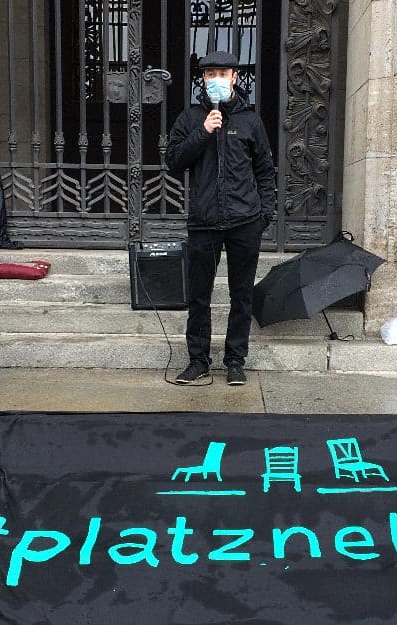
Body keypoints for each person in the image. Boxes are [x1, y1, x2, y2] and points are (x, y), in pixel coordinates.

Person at [165, 51, 276, 386]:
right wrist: (203, 131)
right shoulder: (191, 117)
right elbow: (173, 162)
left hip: (245, 221)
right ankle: (198, 360)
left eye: (222, 72)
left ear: (234, 78)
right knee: (199, 296)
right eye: (209, 72)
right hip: (205, 222)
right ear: (203, 79)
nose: (215, 77)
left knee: (241, 296)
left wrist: (264, 214)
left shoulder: (250, 121)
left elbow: (265, 171)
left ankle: (235, 361)